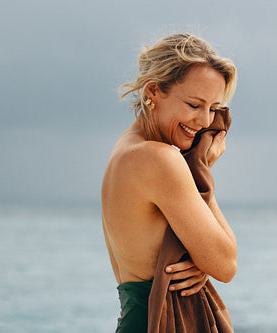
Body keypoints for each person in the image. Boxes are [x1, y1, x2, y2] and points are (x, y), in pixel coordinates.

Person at [101, 33, 237, 332]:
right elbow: (226, 264)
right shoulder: (159, 159)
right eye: (193, 104)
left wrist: (199, 261)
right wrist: (200, 171)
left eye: (213, 109)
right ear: (153, 91)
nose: (204, 121)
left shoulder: (125, 150)